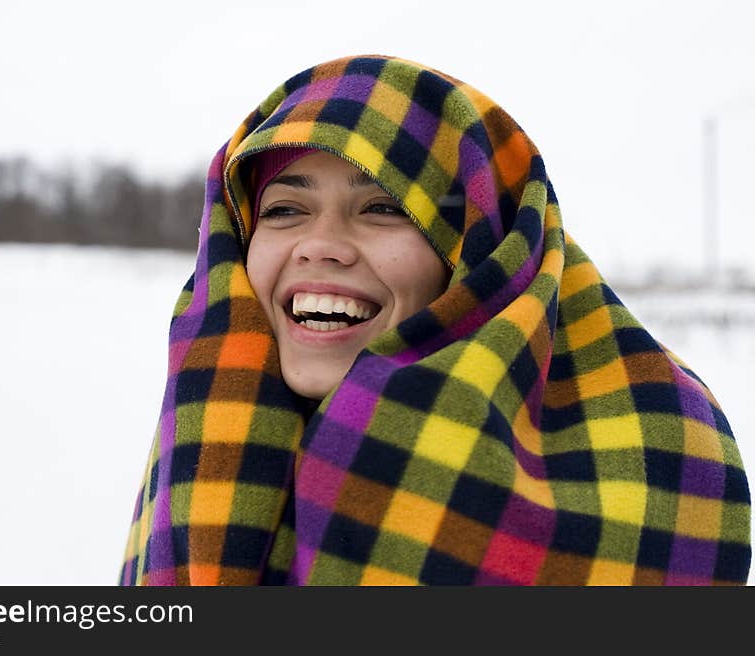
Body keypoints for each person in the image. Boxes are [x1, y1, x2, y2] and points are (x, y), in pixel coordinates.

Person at [120, 54, 751, 585]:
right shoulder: (209, 434)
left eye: (384, 210)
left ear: (476, 256)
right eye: (285, 210)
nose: (321, 245)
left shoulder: (653, 457)